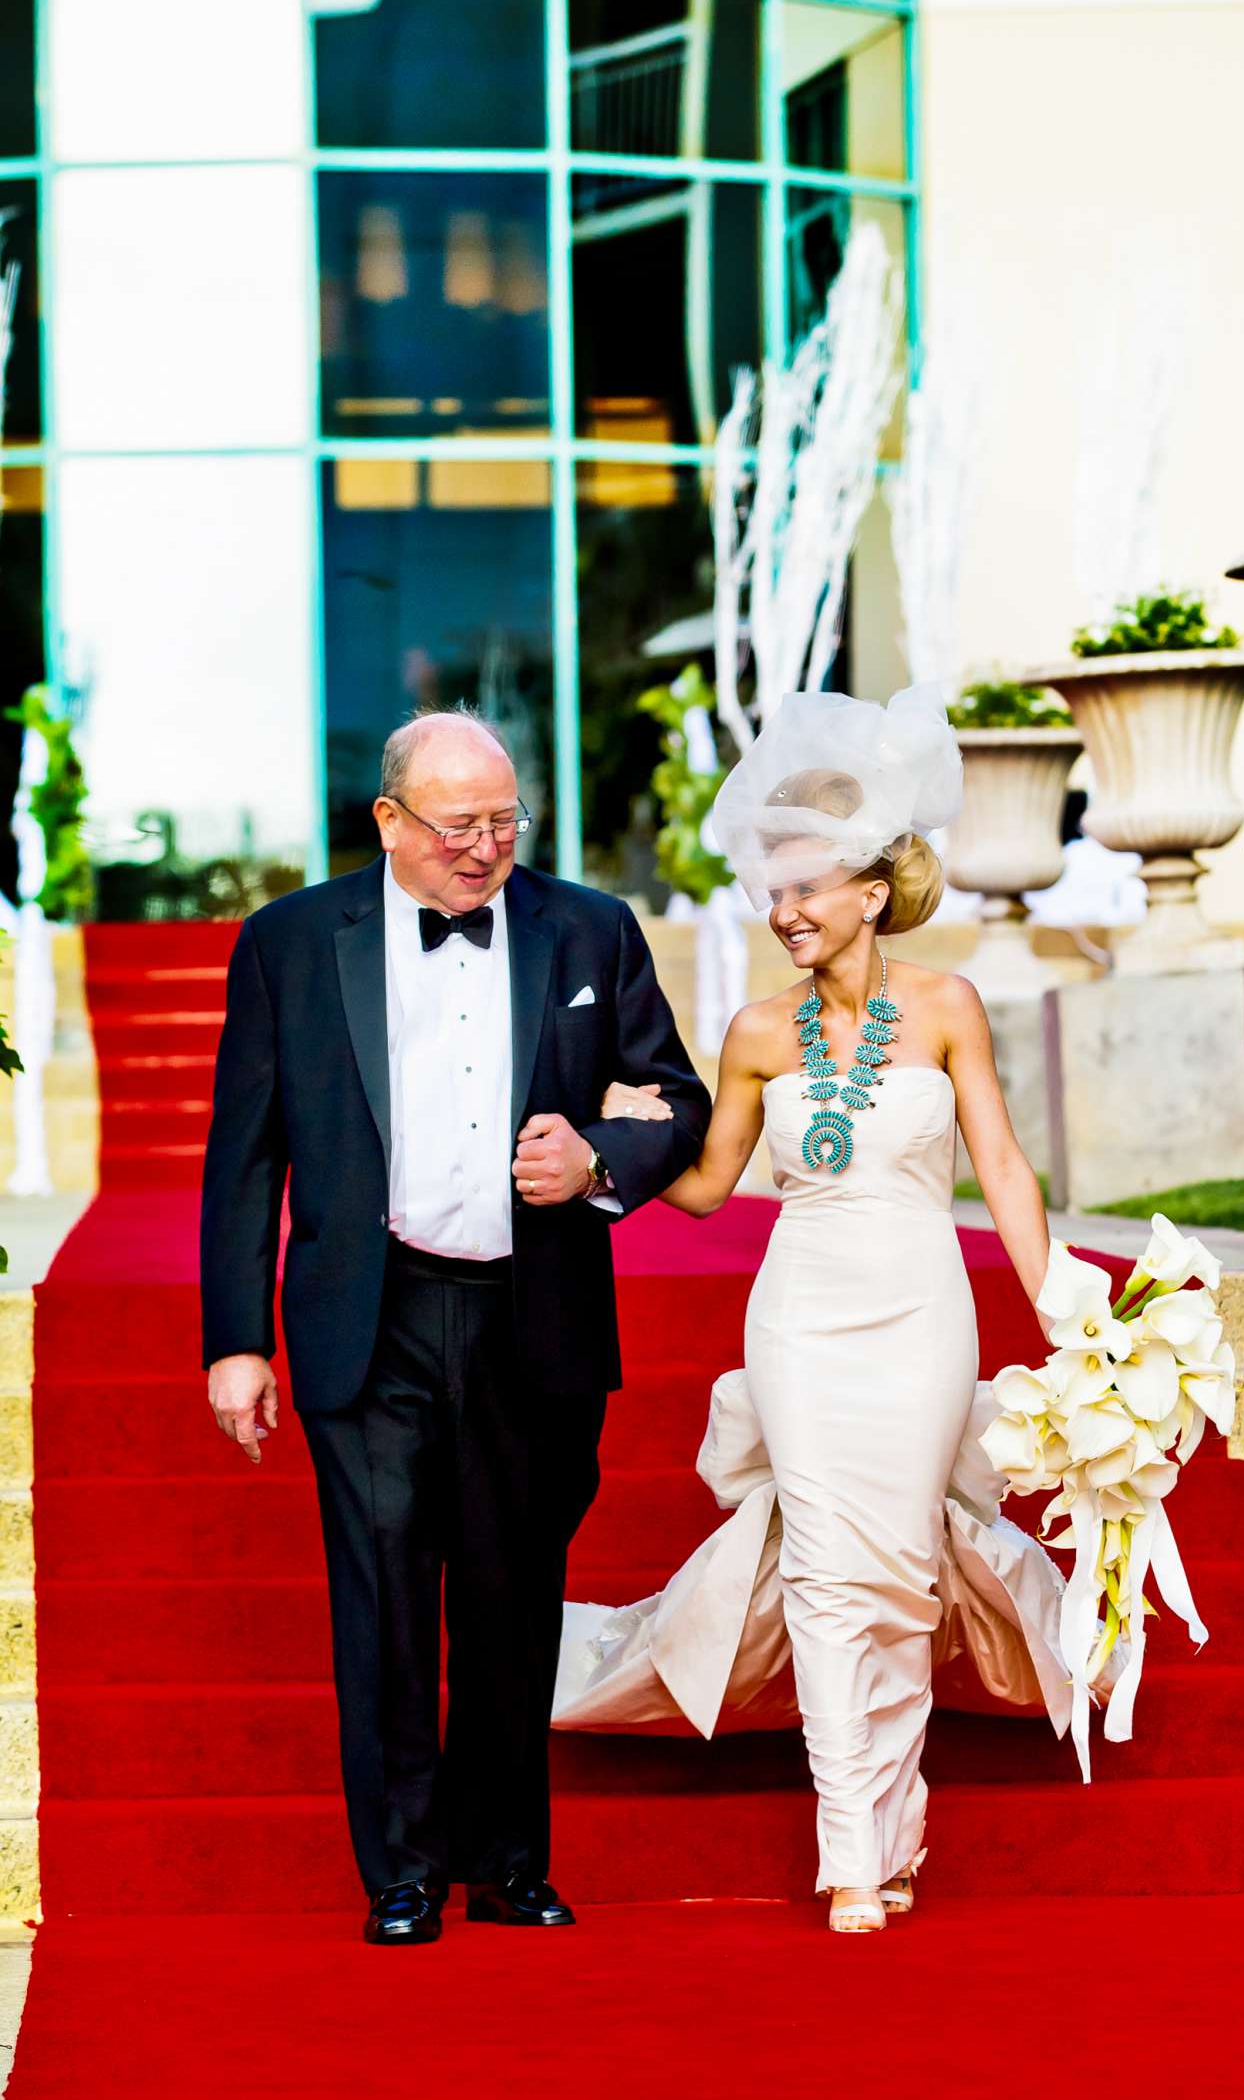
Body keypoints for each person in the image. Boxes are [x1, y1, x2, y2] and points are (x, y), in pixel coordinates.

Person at [547, 685, 1084, 1936]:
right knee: (831, 1575)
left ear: (871, 890)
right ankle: (857, 1850)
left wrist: (1058, 1297)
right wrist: (605, 1153)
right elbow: (706, 1185)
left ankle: (891, 1830)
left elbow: (1001, 1164)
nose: (782, 913)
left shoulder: (947, 1009)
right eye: (771, 893)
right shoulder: (749, 1035)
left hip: (921, 1314)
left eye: (805, 890)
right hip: (800, 1318)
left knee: (897, 1571)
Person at [200, 710, 711, 1945]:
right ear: (389, 821)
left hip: (527, 1311)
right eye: (457, 826)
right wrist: (235, 1339)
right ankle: (403, 1873)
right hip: (365, 1315)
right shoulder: (287, 944)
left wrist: (597, 1156)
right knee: (380, 1598)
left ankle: (510, 1859)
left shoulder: (590, 926)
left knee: (512, 1592)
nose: (485, 849)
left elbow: (678, 1099)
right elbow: (244, 1154)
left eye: (503, 822)